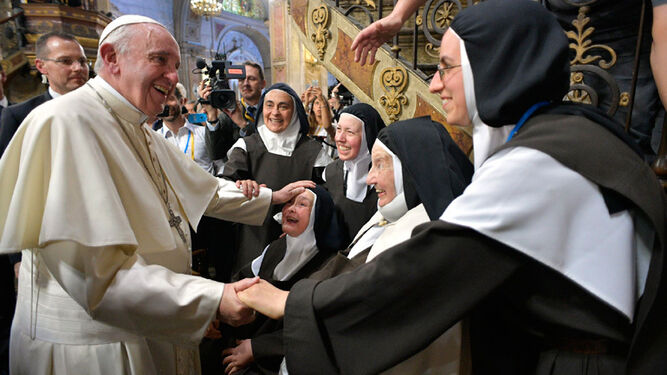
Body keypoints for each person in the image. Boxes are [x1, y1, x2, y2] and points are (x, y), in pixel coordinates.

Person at [239, 1, 666, 374]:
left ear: (492, 66)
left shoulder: (532, 162)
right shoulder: (570, 133)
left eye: (445, 67)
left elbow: (421, 270)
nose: (436, 83)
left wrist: (290, 305)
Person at [0, 15, 313, 375]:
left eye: (176, 66)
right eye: (159, 60)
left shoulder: (138, 128)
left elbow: (204, 191)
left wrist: (272, 198)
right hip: (94, 350)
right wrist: (213, 298)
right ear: (111, 57)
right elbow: (98, 278)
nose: (174, 77)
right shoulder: (65, 122)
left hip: (149, 321)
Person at [217, 186, 345, 375]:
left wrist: (256, 348)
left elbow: (315, 328)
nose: (291, 208)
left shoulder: (329, 265)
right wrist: (216, 307)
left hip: (277, 357)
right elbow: (242, 280)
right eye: (289, 202)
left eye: (302, 204)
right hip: (241, 339)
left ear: (319, 215)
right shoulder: (276, 246)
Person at [222, 83, 333, 275]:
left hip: (297, 243)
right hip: (252, 237)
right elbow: (224, 189)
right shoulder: (246, 147)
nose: (275, 113)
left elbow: (326, 199)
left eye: (283, 106)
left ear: (295, 112)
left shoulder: (313, 152)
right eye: (269, 105)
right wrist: (241, 185)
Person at [0, 31, 88, 157]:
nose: (78, 68)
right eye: (65, 61)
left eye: (82, 61)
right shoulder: (19, 115)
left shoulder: (103, 107)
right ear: (41, 66)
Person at [322, 103, 385, 244]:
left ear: (368, 136)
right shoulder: (331, 172)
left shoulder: (388, 180)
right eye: (338, 129)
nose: (339, 138)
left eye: (350, 132)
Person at [202, 61, 267, 161]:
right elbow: (215, 154)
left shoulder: (271, 111)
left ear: (263, 84)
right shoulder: (229, 113)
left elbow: (267, 147)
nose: (246, 83)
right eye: (241, 79)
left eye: (251, 79)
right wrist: (212, 115)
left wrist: (243, 124)